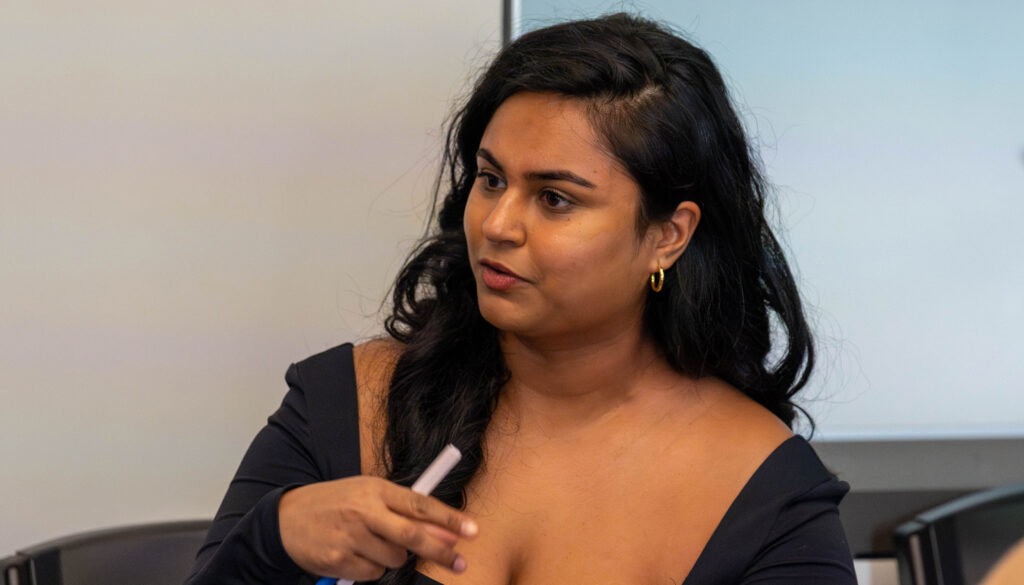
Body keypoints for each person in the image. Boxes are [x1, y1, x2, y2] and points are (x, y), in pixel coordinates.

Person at [186, 13, 855, 585]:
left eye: (555, 198)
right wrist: (274, 537)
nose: (498, 224)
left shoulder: (769, 496)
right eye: (490, 179)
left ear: (668, 235)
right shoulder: (344, 403)